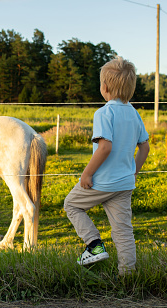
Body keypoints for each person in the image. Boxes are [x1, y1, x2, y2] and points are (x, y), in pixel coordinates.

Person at [63, 56, 150, 275]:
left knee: (72, 205)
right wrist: (133, 173)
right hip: (124, 183)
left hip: (102, 182)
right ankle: (127, 276)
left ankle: (94, 245)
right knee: (123, 231)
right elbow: (145, 147)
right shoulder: (134, 113)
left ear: (105, 87)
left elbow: (104, 147)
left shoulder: (104, 112)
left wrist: (86, 174)